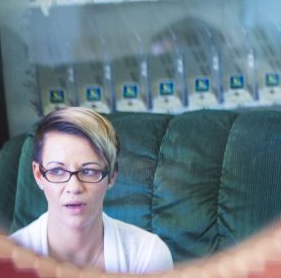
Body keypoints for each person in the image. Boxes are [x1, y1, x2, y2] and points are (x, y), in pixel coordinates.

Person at [10, 107, 173, 273]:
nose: (74, 188)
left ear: (112, 175)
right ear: (38, 175)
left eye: (89, 171)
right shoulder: (8, 261)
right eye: (57, 171)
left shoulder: (147, 255)